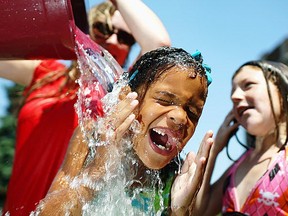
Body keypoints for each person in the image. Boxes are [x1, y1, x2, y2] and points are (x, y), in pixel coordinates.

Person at [1, 0, 171, 215]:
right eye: (103, 29)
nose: (111, 39)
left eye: (125, 37)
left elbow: (158, 43)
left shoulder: (123, 97)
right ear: (86, 30)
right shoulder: (47, 74)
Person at [32, 46, 214, 216]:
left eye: (192, 112)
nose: (181, 118)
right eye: (165, 100)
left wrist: (180, 211)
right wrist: (97, 172)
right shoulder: (91, 139)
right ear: (125, 97)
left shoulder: (175, 177)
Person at [193, 60, 288, 215]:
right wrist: (215, 149)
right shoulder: (238, 166)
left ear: (282, 92)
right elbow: (199, 212)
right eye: (232, 93)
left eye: (248, 85)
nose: (235, 97)